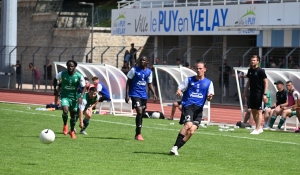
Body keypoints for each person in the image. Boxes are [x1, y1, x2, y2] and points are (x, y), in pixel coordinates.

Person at [170, 61, 214, 156]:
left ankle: (176, 147)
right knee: (188, 125)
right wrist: (178, 90)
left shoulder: (209, 83)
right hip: (188, 106)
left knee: (191, 131)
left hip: (199, 109)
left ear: (205, 69)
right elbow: (180, 87)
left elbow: (210, 97)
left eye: (200, 68)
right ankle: (174, 147)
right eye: (197, 68)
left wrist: (209, 97)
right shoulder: (189, 80)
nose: (198, 70)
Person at [125, 56, 157, 141]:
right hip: (135, 94)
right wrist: (127, 95)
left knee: (141, 114)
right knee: (139, 111)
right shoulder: (134, 70)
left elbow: (149, 84)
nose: (142, 61)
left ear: (147, 62)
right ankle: (139, 134)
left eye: (144, 60)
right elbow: (128, 82)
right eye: (141, 60)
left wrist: (154, 94)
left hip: (143, 96)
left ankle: (137, 133)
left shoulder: (149, 72)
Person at [53, 60, 86, 139]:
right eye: (69, 66)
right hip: (64, 96)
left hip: (74, 97)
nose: (70, 67)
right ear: (67, 66)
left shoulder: (79, 76)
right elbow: (55, 79)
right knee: (65, 110)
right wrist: (55, 89)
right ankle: (65, 125)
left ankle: (71, 131)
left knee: (73, 115)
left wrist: (81, 96)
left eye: (72, 66)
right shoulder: (62, 74)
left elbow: (84, 86)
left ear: (75, 67)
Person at [242, 55, 268, 135]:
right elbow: (249, 81)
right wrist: (245, 91)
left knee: (259, 111)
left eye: (254, 60)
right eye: (252, 60)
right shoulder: (250, 70)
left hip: (259, 93)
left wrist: (265, 94)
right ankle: (259, 127)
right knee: (253, 110)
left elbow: (266, 82)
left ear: (258, 61)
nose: (252, 61)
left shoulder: (261, 71)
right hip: (252, 93)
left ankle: (257, 129)